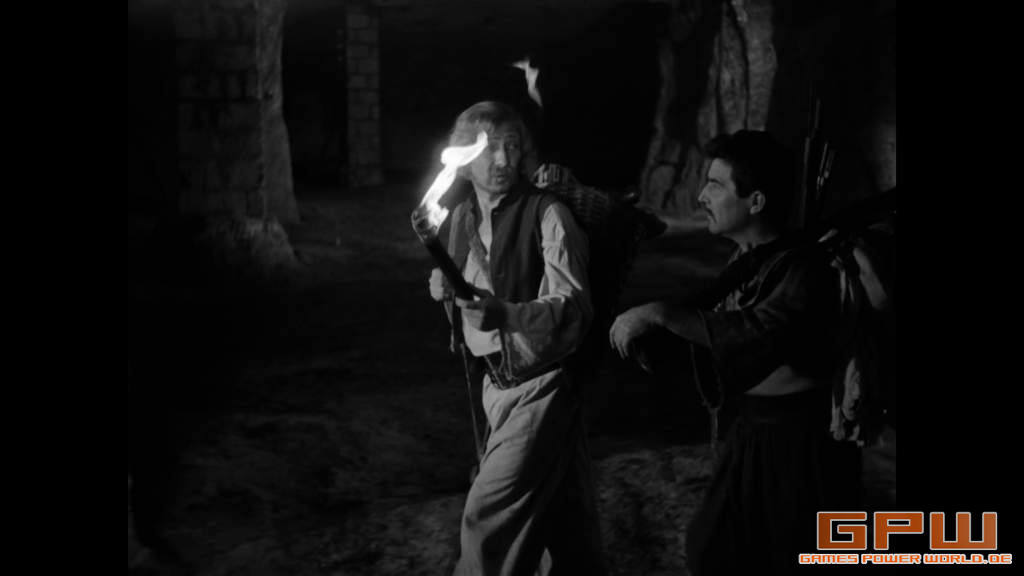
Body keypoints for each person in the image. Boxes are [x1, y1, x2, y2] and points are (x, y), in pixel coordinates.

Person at [609, 130, 861, 575]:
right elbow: (718, 324)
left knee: (794, 556)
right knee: (713, 548)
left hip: (801, 447)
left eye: (715, 185)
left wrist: (662, 313)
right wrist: (664, 336)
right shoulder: (750, 261)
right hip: (753, 433)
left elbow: (756, 330)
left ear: (756, 201)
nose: (702, 196)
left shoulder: (803, 269)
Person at [426, 101, 607, 576]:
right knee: (567, 530)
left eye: (512, 147)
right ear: (465, 156)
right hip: (496, 389)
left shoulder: (549, 215)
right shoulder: (460, 218)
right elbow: (468, 297)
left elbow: (574, 310)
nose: (504, 160)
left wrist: (506, 314)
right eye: (490, 149)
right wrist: (445, 289)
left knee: (486, 521)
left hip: (543, 389)